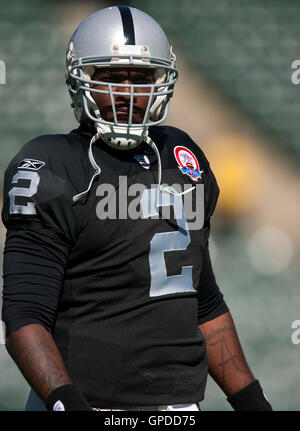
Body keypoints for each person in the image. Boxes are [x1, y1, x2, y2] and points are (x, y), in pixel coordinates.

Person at [1, 6, 272, 411]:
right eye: (111, 77)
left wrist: (251, 400)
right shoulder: (51, 166)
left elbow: (203, 300)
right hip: (85, 402)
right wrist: (65, 402)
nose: (127, 93)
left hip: (179, 409)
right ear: (82, 82)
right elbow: (24, 316)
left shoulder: (182, 159)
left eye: (141, 79)